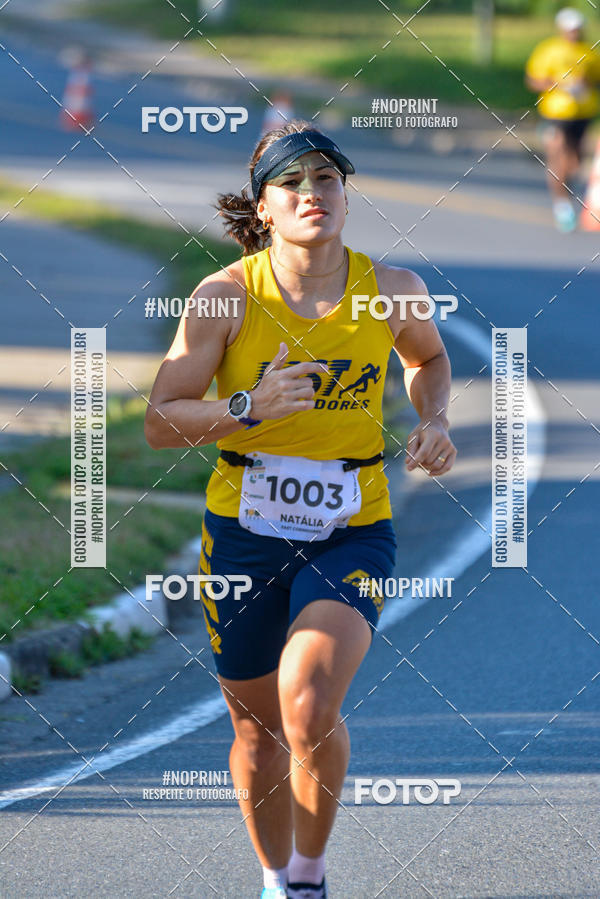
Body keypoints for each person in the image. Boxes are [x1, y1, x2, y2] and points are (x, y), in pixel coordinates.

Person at [144, 121, 457, 898]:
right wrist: (247, 406)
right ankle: (274, 875)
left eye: (326, 180)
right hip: (243, 533)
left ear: (346, 195)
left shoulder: (392, 289)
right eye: (293, 184)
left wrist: (436, 418)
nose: (313, 194)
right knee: (255, 730)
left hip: (353, 526)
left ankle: (308, 881)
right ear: (265, 208)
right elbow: (160, 418)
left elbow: (429, 358)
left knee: (309, 700)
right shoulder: (225, 298)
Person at [525, 7, 600, 232]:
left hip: (582, 114)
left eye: (577, 29)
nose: (574, 33)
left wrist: (584, 86)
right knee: (558, 154)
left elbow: (596, 80)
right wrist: (557, 85)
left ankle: (565, 192)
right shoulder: (549, 50)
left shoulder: (589, 52)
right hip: (555, 113)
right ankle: (562, 206)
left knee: (574, 163)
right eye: (570, 29)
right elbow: (533, 80)